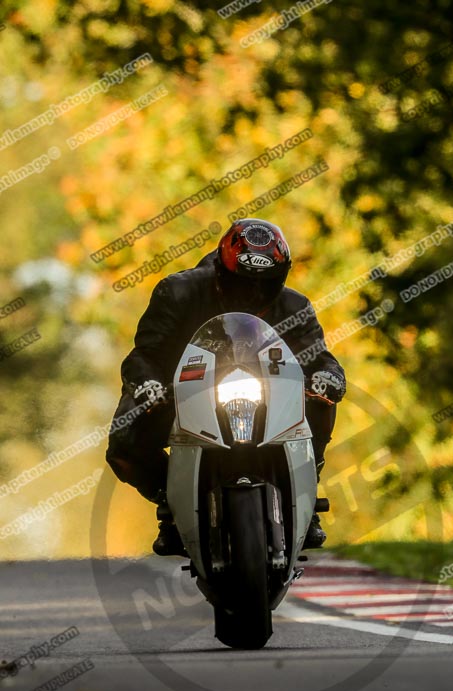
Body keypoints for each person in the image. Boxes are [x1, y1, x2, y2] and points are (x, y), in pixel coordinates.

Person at [106, 218, 346, 556]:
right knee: (125, 441)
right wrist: (148, 384)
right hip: (184, 390)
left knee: (322, 398)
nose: (252, 294)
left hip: (270, 396)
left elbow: (320, 357)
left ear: (281, 278)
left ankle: (305, 491)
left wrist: (330, 377)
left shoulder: (294, 307)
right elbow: (145, 354)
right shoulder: (178, 292)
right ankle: (172, 504)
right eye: (241, 284)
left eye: (265, 284)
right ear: (220, 271)